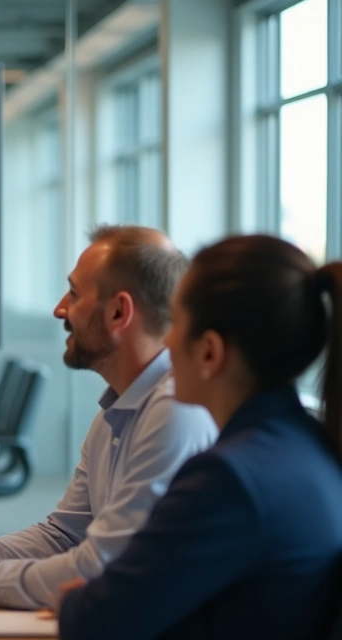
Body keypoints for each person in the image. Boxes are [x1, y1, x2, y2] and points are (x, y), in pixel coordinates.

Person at [0, 225, 217, 610]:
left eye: (74, 294)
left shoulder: (175, 412)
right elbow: (62, 536)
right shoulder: (116, 412)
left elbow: (102, 567)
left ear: (118, 312)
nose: (60, 309)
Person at [59, 235, 342, 639]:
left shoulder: (229, 479)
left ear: (210, 351)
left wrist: (77, 600)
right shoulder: (309, 445)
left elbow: (98, 620)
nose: (166, 341)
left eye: (175, 323)